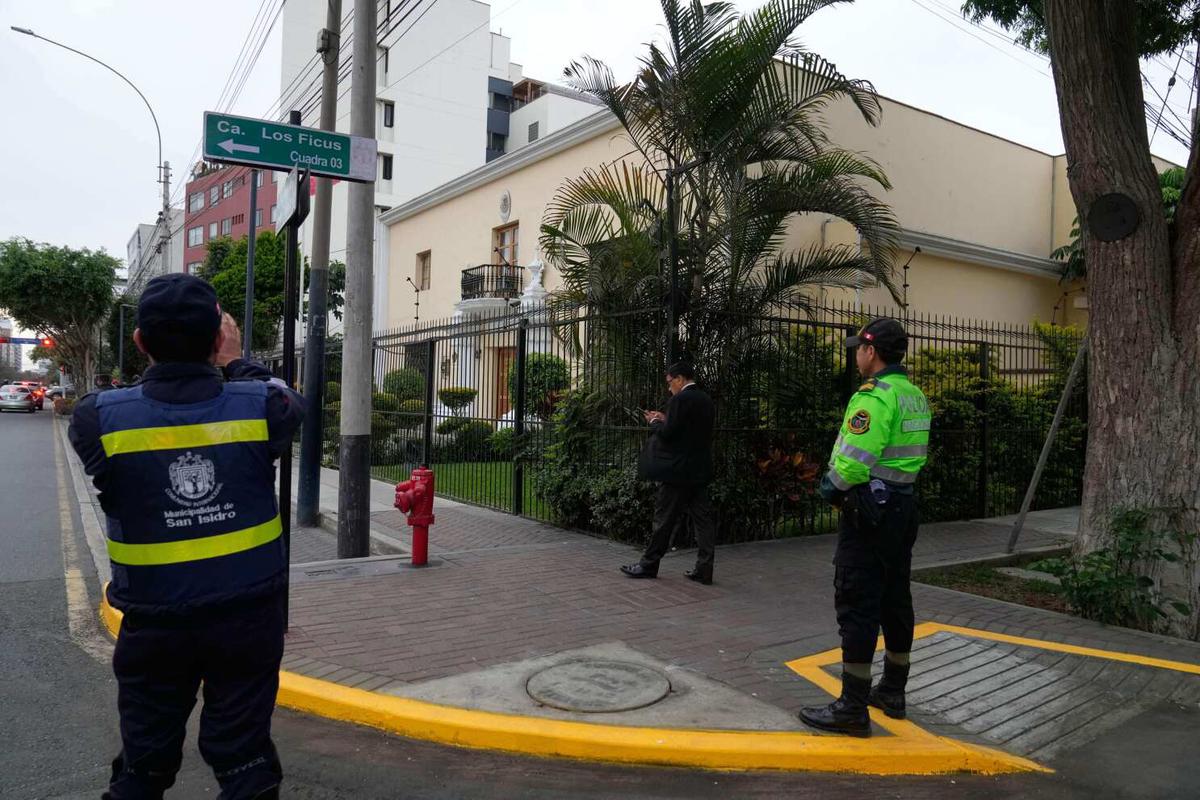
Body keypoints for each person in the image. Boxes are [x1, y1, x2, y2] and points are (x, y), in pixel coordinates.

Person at [69, 274, 304, 799]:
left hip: (154, 622)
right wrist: (236, 359)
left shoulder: (96, 418)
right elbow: (288, 398)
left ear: (139, 341)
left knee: (143, 765)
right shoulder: (262, 405)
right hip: (248, 619)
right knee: (245, 761)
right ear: (217, 339)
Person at [799, 318, 930, 737]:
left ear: (871, 352)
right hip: (902, 507)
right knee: (895, 598)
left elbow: (854, 460)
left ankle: (852, 708)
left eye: (859, 348)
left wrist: (829, 488)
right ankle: (892, 691)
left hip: (871, 511)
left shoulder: (874, 396)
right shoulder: (914, 395)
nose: (856, 354)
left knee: (856, 601)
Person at [621, 361, 718, 584]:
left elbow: (668, 435)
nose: (669, 387)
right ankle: (704, 569)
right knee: (703, 521)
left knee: (663, 520)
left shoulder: (680, 399)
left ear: (680, 379)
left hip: (677, 472)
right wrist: (666, 418)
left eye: (670, 381)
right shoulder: (705, 400)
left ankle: (648, 565)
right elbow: (688, 429)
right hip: (699, 470)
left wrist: (655, 422)